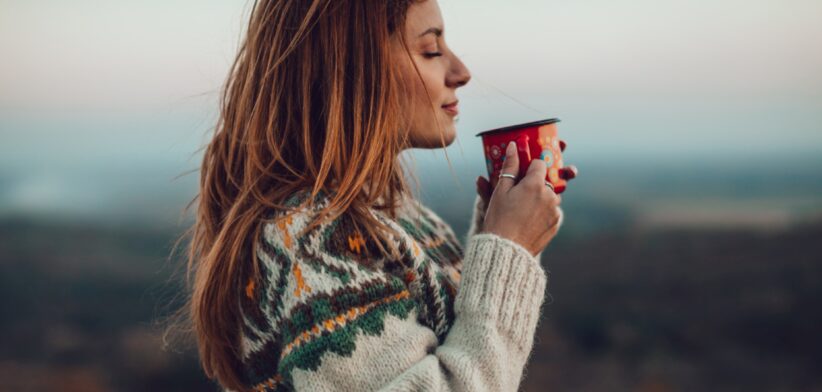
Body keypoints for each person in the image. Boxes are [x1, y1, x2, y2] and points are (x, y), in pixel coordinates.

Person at [179, 1, 578, 391]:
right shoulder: (310, 241)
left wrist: (499, 230)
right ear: (351, 71)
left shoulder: (398, 216)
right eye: (431, 50)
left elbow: (458, 345)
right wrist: (509, 250)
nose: (461, 72)